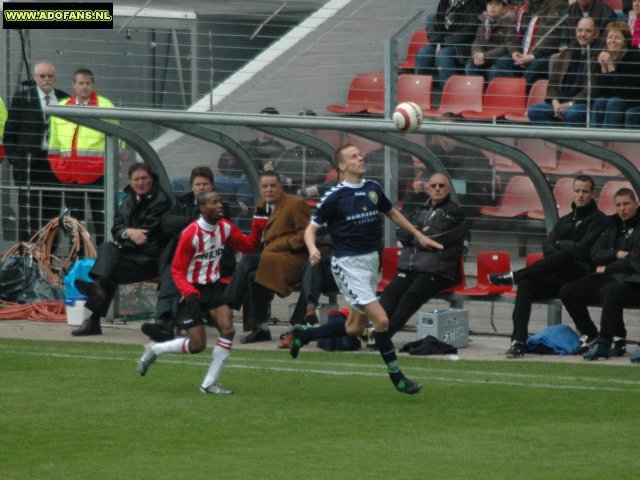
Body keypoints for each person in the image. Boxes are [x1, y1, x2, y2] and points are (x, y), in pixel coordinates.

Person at [289, 144, 445, 395]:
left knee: (354, 328)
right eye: (354, 156)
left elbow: (392, 213)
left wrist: (418, 236)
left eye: (360, 154)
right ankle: (398, 378)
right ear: (342, 166)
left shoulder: (373, 188)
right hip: (348, 265)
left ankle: (304, 336)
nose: (361, 158)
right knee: (381, 320)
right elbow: (311, 229)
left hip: (371, 262)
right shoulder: (334, 196)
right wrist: (312, 249)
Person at [137, 191, 268, 394]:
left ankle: (208, 384)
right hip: (190, 292)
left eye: (219, 202)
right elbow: (177, 270)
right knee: (198, 345)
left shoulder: (225, 227)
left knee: (228, 330)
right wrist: (189, 294)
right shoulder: (191, 233)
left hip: (213, 289)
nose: (219, 205)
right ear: (202, 208)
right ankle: (155, 349)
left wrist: (259, 220)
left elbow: (249, 246)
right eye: (213, 203)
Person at [488, 175, 609, 358]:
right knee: (527, 283)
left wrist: (561, 245)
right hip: (560, 273)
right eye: (577, 191)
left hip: (582, 274)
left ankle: (514, 275)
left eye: (585, 191)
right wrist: (561, 247)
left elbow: (584, 251)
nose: (581, 195)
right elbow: (548, 243)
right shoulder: (567, 219)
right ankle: (518, 341)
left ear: (593, 194)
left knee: (564, 256)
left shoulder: (599, 220)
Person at [72, 163, 171, 336]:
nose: (141, 183)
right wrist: (128, 232)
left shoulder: (161, 200)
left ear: (152, 179)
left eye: (144, 178)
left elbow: (144, 237)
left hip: (149, 260)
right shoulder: (128, 198)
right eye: (136, 179)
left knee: (109, 264)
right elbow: (116, 227)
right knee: (108, 257)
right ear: (130, 182)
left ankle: (93, 317)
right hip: (131, 256)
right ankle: (96, 299)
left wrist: (125, 236)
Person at [140, 166, 236, 342]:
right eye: (197, 184)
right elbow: (167, 224)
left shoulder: (221, 205)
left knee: (182, 279)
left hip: (208, 262)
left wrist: (187, 226)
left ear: (212, 186)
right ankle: (163, 325)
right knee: (171, 277)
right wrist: (193, 221)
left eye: (205, 184)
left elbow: (216, 228)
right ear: (191, 187)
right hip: (183, 258)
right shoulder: (181, 202)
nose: (201, 188)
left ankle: (172, 324)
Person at [222, 170, 311, 343]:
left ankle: (226, 304)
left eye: (273, 186)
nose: (269, 189)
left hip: (292, 259)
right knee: (252, 276)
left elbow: (306, 234)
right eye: (265, 186)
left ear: (281, 187)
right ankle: (261, 328)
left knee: (248, 260)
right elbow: (254, 240)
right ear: (260, 188)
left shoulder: (296, 203)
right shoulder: (262, 205)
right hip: (270, 258)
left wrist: (282, 244)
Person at [380, 173, 467, 337]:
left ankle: (384, 336)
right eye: (433, 186)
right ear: (427, 189)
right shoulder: (420, 207)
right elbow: (401, 233)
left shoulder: (455, 212)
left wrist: (416, 230)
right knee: (391, 293)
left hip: (437, 269)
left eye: (442, 186)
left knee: (410, 297)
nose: (437, 189)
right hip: (411, 265)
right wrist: (421, 232)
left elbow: (435, 238)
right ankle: (376, 329)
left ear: (448, 189)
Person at [559, 187, 640, 358]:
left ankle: (607, 342)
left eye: (626, 204)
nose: (622, 209)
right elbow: (595, 254)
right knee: (568, 290)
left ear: (636, 204)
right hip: (610, 276)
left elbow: (635, 261)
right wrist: (615, 254)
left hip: (631, 280)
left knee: (610, 291)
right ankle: (591, 335)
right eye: (618, 205)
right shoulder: (612, 224)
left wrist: (609, 266)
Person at [48, 68, 117, 245]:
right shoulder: (61, 107)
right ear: (74, 85)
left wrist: (112, 166)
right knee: (75, 222)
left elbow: (118, 140)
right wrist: (58, 167)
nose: (84, 87)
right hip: (70, 175)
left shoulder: (106, 106)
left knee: (101, 219)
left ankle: (103, 258)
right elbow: (54, 143)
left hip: (99, 173)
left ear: (92, 84)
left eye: (87, 83)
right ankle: (76, 258)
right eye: (81, 83)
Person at [3, 60, 68, 240]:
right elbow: (10, 132)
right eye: (42, 76)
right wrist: (16, 158)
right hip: (29, 162)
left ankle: (49, 252)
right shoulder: (23, 98)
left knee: (52, 209)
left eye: (50, 76)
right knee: (28, 210)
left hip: (54, 163)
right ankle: (27, 254)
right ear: (34, 77)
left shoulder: (64, 98)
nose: (47, 79)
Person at [527, 16, 601, 126]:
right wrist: (555, 103)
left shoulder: (598, 56)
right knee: (535, 110)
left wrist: (570, 104)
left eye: (588, 31)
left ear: (596, 34)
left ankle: (568, 142)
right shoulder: (566, 53)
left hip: (581, 104)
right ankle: (557, 140)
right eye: (580, 30)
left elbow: (592, 89)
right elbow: (553, 82)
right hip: (561, 103)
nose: (583, 34)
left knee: (572, 114)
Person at [278, 226, 338, 349]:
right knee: (313, 263)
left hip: (347, 273)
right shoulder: (325, 216)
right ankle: (310, 310)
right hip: (323, 272)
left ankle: (299, 326)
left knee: (311, 278)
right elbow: (310, 236)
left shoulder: (358, 217)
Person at [492, 0, 568, 89]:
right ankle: (510, 95)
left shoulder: (557, 5)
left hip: (543, 54)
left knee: (534, 67)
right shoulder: (523, 6)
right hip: (522, 53)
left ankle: (522, 97)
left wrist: (533, 56)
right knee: (502, 63)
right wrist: (514, 52)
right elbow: (511, 34)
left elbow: (552, 37)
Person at [415, 0, 484, 88]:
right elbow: (433, 26)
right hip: (441, 43)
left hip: (464, 46)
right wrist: (438, 42)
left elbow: (468, 32)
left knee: (444, 55)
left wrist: (443, 43)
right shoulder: (444, 3)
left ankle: (448, 95)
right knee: (423, 54)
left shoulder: (475, 6)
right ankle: (420, 92)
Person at [590, 21, 640, 128]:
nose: (612, 41)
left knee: (614, 102)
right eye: (610, 37)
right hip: (613, 100)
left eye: (617, 37)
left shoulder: (634, 57)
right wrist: (603, 68)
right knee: (599, 101)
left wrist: (611, 67)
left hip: (632, 101)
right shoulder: (604, 56)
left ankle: (608, 140)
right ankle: (594, 139)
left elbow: (625, 92)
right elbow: (600, 92)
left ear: (625, 41)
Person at [465, 0, 514, 81]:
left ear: (504, 9)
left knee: (494, 70)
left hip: (499, 58)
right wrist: (477, 55)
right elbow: (477, 42)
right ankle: (478, 93)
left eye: (497, 4)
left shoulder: (510, 23)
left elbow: (506, 46)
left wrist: (485, 55)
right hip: (484, 57)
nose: (492, 7)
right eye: (490, 4)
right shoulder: (483, 22)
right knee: (470, 67)